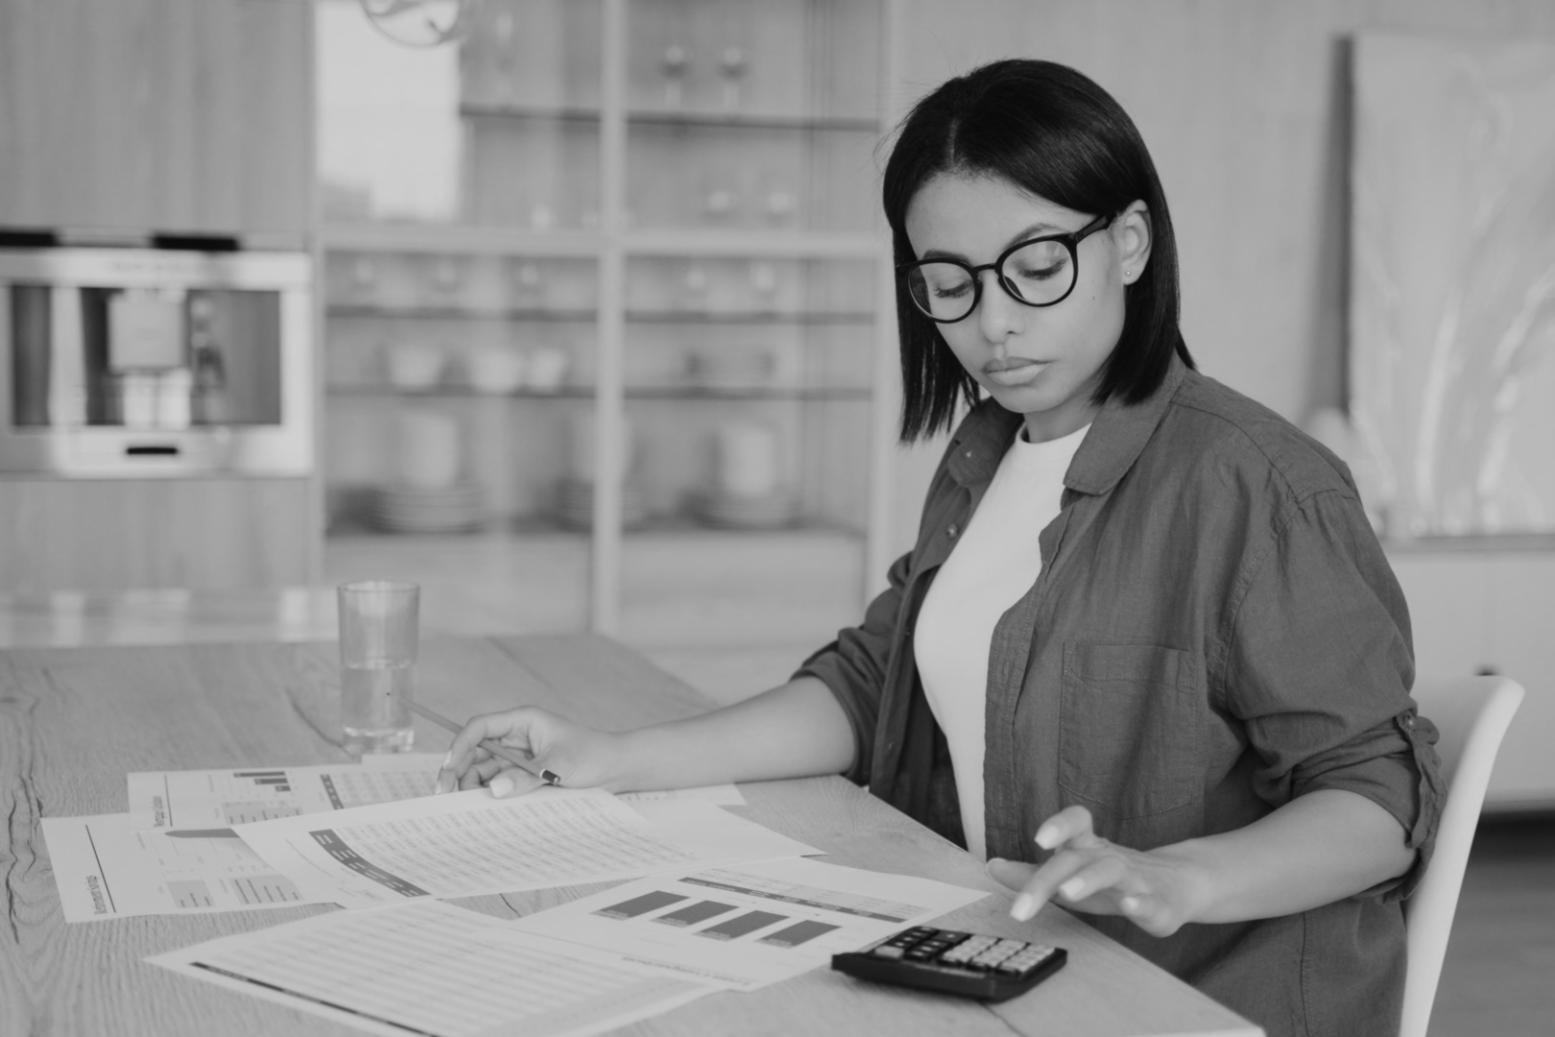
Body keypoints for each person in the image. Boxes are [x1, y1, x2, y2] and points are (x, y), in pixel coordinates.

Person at [436, 59, 1442, 1037]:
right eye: (949, 283)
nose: (993, 324)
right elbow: (872, 686)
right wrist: (614, 757)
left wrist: (1179, 876)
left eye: (1036, 268)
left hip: (1198, 1001)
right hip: (1008, 965)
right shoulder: (988, 454)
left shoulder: (1255, 484)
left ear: (1130, 242)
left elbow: (1376, 795)